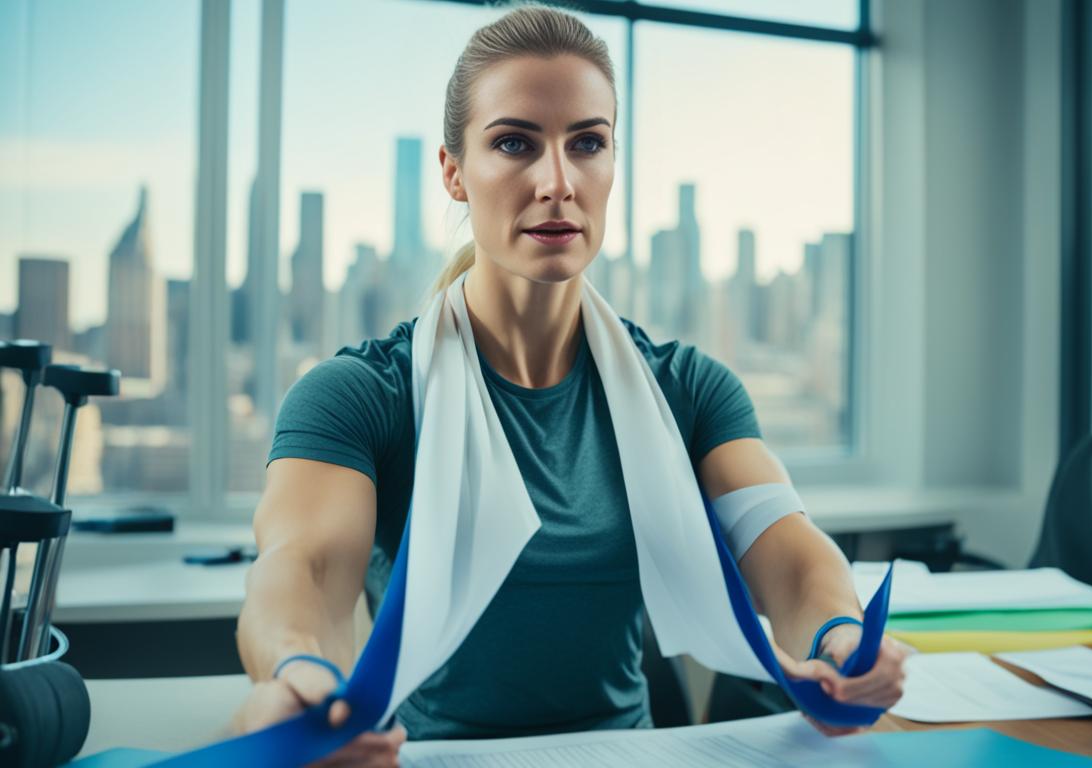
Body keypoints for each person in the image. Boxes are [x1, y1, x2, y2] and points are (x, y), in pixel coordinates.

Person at [230, 4, 907, 765]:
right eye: (515, 143)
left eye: (587, 143)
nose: (558, 182)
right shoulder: (360, 395)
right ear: (454, 172)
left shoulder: (689, 389)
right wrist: (295, 671)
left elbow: (788, 556)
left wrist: (842, 639)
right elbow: (304, 568)